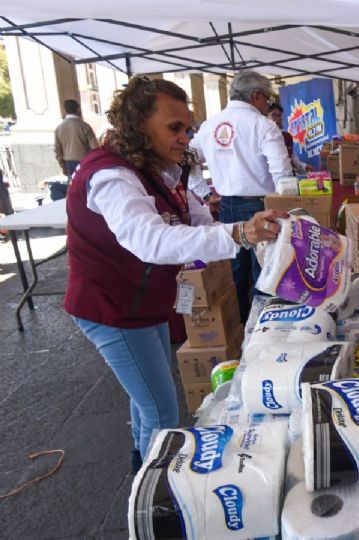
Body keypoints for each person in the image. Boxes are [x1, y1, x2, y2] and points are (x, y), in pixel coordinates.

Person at [64, 76, 286, 471]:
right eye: (174, 127)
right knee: (162, 411)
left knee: (146, 396)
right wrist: (237, 233)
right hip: (111, 308)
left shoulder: (160, 171)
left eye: (187, 128)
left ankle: (140, 461)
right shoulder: (111, 176)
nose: (185, 137)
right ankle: (154, 494)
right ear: (138, 124)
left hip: (142, 302)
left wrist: (249, 228)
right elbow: (150, 241)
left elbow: (195, 217)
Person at [189, 70, 295, 320]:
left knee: (235, 272)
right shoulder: (263, 125)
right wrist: (287, 207)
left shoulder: (209, 125)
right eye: (267, 98)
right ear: (255, 95)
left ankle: (238, 326)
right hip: (261, 207)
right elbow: (282, 172)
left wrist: (205, 193)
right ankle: (262, 330)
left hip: (227, 207)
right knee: (266, 270)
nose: (268, 104)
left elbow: (188, 162)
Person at [54, 99, 99, 179]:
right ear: (78, 109)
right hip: (85, 162)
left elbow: (58, 150)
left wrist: (63, 166)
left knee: (73, 187)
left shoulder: (59, 128)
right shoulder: (84, 126)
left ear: (65, 110)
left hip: (68, 163)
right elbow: (95, 147)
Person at [267, 102, 313, 175]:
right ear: (266, 117)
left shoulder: (286, 136)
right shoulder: (262, 138)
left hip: (289, 180)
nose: (278, 119)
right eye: (274, 115)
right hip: (271, 181)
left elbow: (292, 158)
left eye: (279, 116)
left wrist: (304, 167)